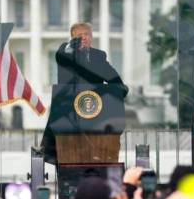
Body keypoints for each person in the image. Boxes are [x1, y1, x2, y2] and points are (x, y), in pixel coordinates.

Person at [41, 22, 129, 165]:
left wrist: (119, 90)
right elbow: (62, 55)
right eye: (79, 35)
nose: (84, 38)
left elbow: (115, 80)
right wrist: (73, 46)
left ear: (92, 37)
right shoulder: (65, 52)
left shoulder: (98, 56)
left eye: (87, 34)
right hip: (69, 110)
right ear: (72, 38)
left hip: (96, 112)